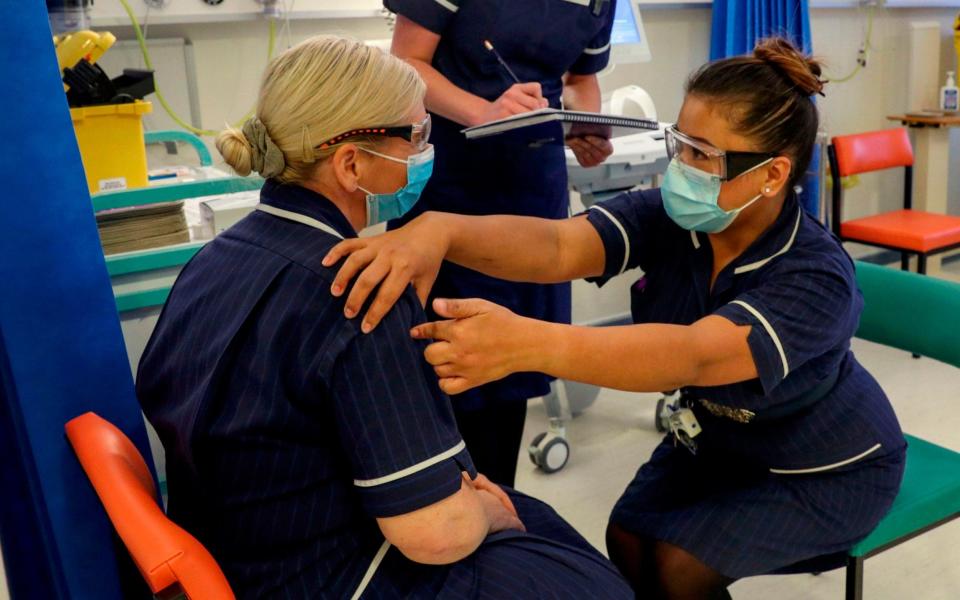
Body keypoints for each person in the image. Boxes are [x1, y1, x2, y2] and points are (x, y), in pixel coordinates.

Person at [322, 38, 907, 599]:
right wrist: (441, 231)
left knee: (680, 568)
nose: (683, 165)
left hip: (821, 465)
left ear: (773, 174)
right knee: (626, 539)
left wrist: (526, 344)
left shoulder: (814, 274)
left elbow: (696, 354)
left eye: (703, 154)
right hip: (721, 441)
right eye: (682, 143)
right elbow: (558, 246)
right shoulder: (678, 222)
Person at [136, 36, 632, 599]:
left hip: (238, 555)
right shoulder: (361, 294)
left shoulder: (214, 260)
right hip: (331, 576)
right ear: (351, 163)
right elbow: (436, 534)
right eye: (416, 136)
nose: (426, 150)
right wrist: (486, 511)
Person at [349, 0, 619, 487]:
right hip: (455, 181)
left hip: (534, 186)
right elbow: (406, 62)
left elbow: (580, 81)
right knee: (440, 363)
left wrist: (586, 126)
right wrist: (486, 112)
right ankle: (433, 506)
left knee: (513, 366)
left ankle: (496, 509)